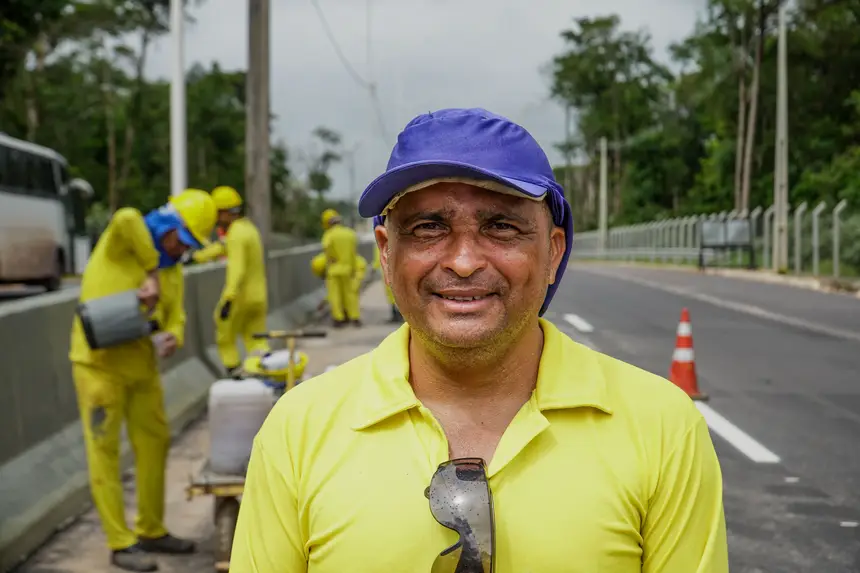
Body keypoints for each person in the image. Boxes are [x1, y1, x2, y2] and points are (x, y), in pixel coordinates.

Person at [230, 108, 728, 572]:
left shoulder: (661, 427)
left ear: (554, 251)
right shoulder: (299, 431)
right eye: (428, 227)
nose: (464, 261)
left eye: (501, 226)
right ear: (385, 253)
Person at [70, 189, 216, 572]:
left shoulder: (174, 269)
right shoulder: (123, 243)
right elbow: (126, 216)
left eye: (189, 246)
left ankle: (151, 529)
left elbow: (176, 314)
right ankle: (120, 542)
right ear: (167, 225)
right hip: (99, 366)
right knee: (104, 451)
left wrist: (174, 335)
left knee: (155, 442)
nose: (181, 250)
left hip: (141, 365)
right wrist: (150, 271)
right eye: (181, 239)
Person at [210, 185, 270, 378]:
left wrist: (228, 299)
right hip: (258, 296)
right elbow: (222, 248)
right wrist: (198, 256)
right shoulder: (249, 229)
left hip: (240, 297)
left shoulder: (235, 234)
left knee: (224, 331)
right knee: (257, 338)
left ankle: (233, 370)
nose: (215, 219)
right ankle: (264, 371)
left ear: (226, 213)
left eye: (217, 214)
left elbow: (237, 269)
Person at [320, 209, 361, 327]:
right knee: (350, 294)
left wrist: (331, 258)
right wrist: (353, 268)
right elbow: (353, 253)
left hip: (334, 269)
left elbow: (326, 248)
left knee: (335, 295)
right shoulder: (350, 234)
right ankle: (354, 317)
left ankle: (338, 318)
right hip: (348, 269)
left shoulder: (329, 234)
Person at [372, 237, 402, 323]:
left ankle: (395, 314)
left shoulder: (380, 243)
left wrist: (374, 268)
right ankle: (400, 314)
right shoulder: (397, 240)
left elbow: (379, 257)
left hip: (387, 271)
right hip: (398, 270)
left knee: (390, 294)